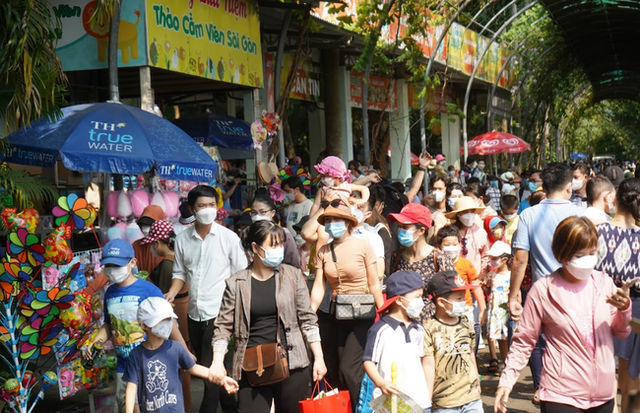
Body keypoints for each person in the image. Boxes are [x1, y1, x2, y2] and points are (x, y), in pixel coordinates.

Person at [495, 216, 633, 413]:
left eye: (592, 252)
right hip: (560, 395)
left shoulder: (605, 283)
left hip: (603, 396)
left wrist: (624, 309)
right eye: (580, 254)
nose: (587, 259)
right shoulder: (543, 290)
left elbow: (621, 332)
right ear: (562, 254)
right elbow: (524, 341)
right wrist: (506, 382)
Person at [210, 220, 326, 413]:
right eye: (273, 245)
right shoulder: (236, 282)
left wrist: (319, 357)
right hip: (252, 364)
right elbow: (223, 327)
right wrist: (217, 361)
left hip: (292, 361)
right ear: (255, 247)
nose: (278, 250)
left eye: (281, 244)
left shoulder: (293, 276)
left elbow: (308, 320)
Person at [165, 185, 248, 413]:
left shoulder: (228, 238)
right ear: (192, 209)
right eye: (202, 206)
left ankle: (207, 410)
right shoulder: (182, 240)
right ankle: (231, 407)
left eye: (212, 205)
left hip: (219, 313)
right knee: (207, 366)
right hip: (194, 313)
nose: (208, 210)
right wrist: (172, 292)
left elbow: (242, 275)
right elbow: (180, 273)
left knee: (210, 372)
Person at [86, 239, 189, 413]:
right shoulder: (110, 293)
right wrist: (96, 341)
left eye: (116, 265)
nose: (112, 270)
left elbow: (167, 322)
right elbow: (109, 325)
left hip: (150, 364)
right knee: (125, 405)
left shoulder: (149, 290)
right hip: (123, 367)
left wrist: (185, 351)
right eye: (108, 265)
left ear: (132, 262)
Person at [508, 163, 582, 402]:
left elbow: (520, 260)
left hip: (543, 292)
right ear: (569, 187)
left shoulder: (528, 214)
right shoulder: (580, 214)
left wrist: (514, 293)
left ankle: (542, 388)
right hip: (578, 291)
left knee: (540, 343)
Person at [309, 201, 383, 410]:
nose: (333, 224)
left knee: (349, 369)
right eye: (329, 221)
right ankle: (347, 407)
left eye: (337, 220)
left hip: (363, 314)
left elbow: (374, 283)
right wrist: (308, 314)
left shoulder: (363, 246)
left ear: (348, 222)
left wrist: (384, 313)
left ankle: (364, 407)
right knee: (338, 370)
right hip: (337, 314)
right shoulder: (323, 250)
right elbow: (318, 287)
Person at [123, 297, 239, 413]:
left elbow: (194, 368)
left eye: (169, 319)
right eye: (161, 320)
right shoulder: (136, 355)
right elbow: (131, 387)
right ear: (144, 325)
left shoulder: (176, 348)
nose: (167, 324)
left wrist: (222, 379)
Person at [595, 178, 640, 413]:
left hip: (600, 307)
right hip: (636, 314)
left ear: (614, 199)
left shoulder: (597, 233)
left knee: (603, 372)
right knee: (632, 384)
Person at [140, 220, 193, 412]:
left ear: (157, 243)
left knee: (179, 363)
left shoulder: (167, 265)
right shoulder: (175, 259)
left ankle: (182, 406)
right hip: (183, 314)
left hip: (174, 319)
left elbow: (161, 303)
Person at [363, 271, 431, 412]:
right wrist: (381, 383)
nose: (421, 302)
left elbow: (425, 361)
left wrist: (428, 395)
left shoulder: (418, 328)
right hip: (390, 403)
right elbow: (368, 361)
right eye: (417, 297)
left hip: (420, 402)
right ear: (399, 300)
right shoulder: (380, 330)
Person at [423, 271, 482, 413]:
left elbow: (470, 353)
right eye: (459, 298)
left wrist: (477, 380)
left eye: (464, 297)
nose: (464, 302)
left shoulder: (467, 323)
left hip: (471, 397)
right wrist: (427, 399)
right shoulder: (429, 328)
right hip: (444, 402)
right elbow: (428, 365)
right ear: (441, 302)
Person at [389, 203, 455, 323]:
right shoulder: (396, 257)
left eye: (405, 227)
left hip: (430, 323)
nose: (400, 231)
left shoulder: (439, 258)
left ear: (421, 230)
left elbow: (451, 293)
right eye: (399, 226)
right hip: (402, 322)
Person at [437, 225, 486, 355]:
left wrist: (482, 309)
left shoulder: (466, 264)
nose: (451, 248)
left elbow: (476, 287)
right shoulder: (437, 265)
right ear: (439, 246)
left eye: (454, 244)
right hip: (444, 309)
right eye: (447, 244)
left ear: (460, 244)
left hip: (465, 308)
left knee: (468, 341)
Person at [248, 193, 301, 267]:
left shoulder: (283, 234)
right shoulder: (248, 233)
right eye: (254, 212)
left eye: (262, 212)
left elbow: (294, 263)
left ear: (272, 213)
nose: (257, 216)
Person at [485, 241, 511, 374]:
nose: (492, 261)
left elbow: (516, 293)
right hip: (495, 310)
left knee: (510, 336)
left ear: (505, 259)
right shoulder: (491, 275)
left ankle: (512, 364)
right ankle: (507, 363)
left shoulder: (511, 275)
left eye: (495, 258)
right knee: (500, 338)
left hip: (507, 309)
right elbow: (488, 290)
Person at [445, 197, 489, 274]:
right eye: (465, 212)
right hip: (454, 277)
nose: (469, 215)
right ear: (458, 214)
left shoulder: (480, 232)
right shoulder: (449, 233)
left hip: (475, 278)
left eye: (472, 212)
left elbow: (485, 256)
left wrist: (483, 273)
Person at [132, 205, 165, 273]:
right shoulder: (136, 245)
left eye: (150, 225)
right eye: (143, 225)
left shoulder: (167, 246)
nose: (145, 229)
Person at [282, 176, 313, 241]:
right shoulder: (291, 205)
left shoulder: (309, 205)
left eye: (287, 191)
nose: (286, 194)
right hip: (290, 242)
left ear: (297, 190)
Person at [426, 175, 451, 246]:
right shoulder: (426, 211)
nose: (437, 192)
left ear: (447, 190)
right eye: (434, 189)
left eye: (440, 189)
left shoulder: (451, 211)